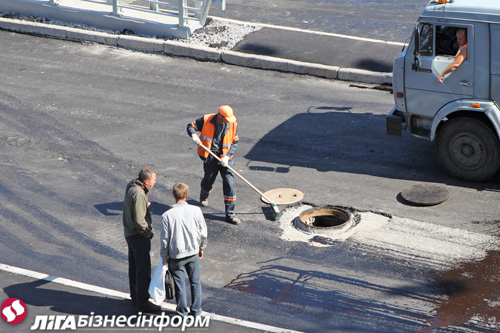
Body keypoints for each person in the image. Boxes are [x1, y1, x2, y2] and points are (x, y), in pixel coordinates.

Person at [187, 105, 241, 224]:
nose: (228, 121)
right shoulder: (206, 120)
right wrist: (194, 135)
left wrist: (227, 156)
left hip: (226, 158)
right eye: (226, 118)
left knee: (230, 183)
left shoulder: (232, 124)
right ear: (220, 116)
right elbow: (190, 126)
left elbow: (235, 142)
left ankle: (230, 214)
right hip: (210, 156)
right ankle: (204, 194)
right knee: (209, 179)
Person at [160, 182, 208, 317]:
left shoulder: (167, 215)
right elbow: (203, 232)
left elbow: (165, 239)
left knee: (179, 285)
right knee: (195, 282)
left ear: (174, 195)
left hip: (175, 256)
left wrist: (164, 256)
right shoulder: (196, 210)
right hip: (193, 252)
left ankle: (182, 312)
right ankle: (196, 310)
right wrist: (201, 247)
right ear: (186, 195)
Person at [123, 167, 160, 312]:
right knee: (143, 269)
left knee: (134, 266)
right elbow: (139, 221)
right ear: (146, 181)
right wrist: (148, 232)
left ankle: (136, 295)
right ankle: (143, 301)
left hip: (129, 233)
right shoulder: (139, 194)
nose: (155, 182)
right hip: (138, 236)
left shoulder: (132, 187)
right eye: (153, 180)